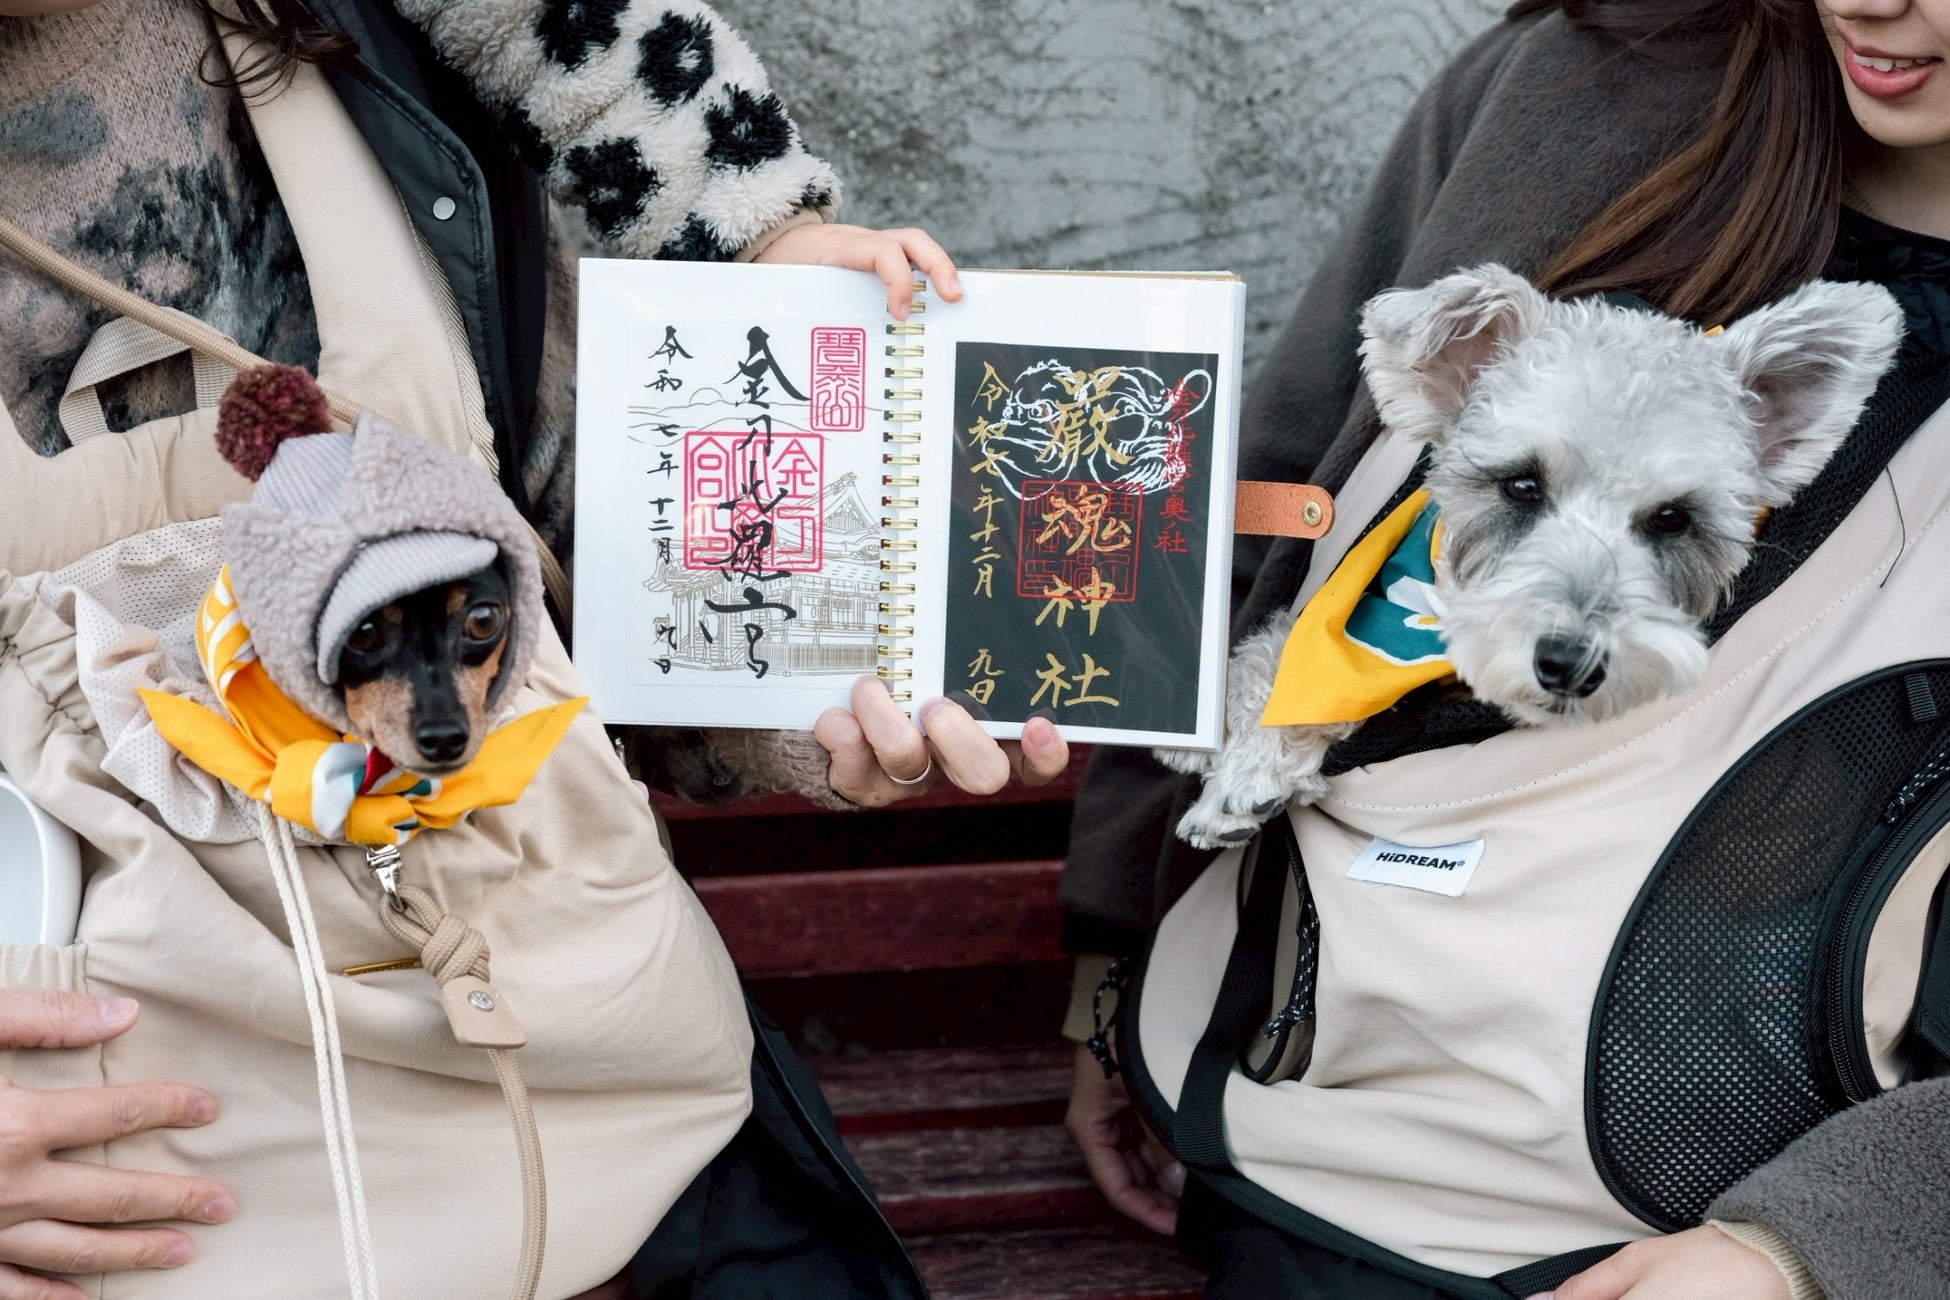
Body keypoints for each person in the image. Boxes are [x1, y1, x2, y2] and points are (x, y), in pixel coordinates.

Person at [0, 0, 1064, 1295]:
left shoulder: (359, 57)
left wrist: (812, 706)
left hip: (592, 1056)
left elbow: (587, 565)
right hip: (134, 1155)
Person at [1061, 1, 1950, 1297]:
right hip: (1310, 1130)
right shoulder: (1581, 70)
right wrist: (1113, 953)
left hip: (1751, 1209)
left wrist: (1811, 1244)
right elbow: (1260, 514)